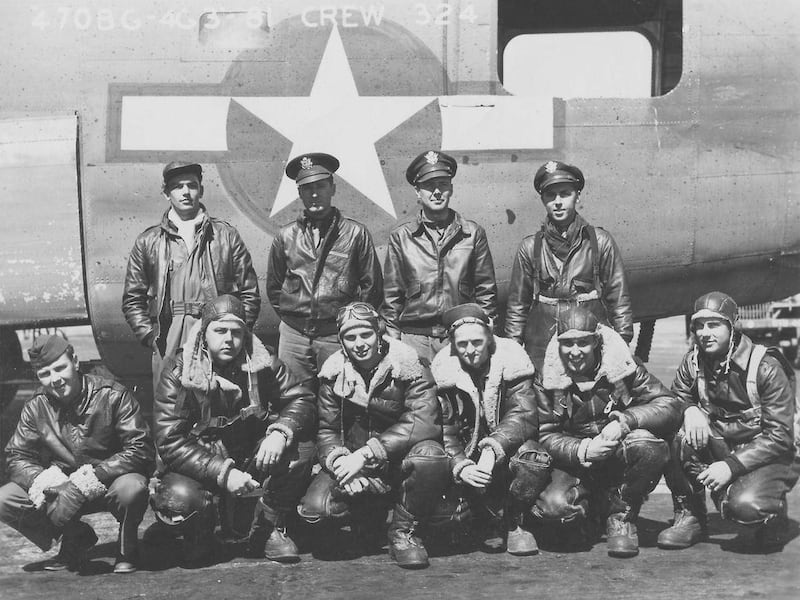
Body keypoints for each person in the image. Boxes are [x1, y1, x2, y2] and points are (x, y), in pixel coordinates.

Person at [152, 294, 316, 566]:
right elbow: (169, 439)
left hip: (250, 451)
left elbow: (301, 398)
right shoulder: (179, 368)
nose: (228, 339)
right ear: (204, 334)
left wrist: (279, 432)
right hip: (200, 458)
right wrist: (222, 472)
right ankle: (201, 535)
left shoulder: (263, 361)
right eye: (220, 330)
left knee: (301, 449)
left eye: (236, 332)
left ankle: (266, 528)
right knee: (178, 498)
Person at [297, 302, 450, 569]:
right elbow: (327, 431)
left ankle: (404, 533)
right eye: (350, 337)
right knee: (316, 510)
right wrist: (339, 462)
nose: (359, 343)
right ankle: (368, 514)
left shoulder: (410, 365)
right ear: (342, 341)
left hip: (396, 463)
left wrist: (369, 453)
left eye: (365, 334)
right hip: (353, 463)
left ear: (378, 334)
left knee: (430, 456)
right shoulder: (332, 374)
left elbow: (423, 421)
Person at [531, 306, 680, 557]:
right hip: (574, 463)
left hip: (616, 456)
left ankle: (621, 515)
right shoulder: (546, 377)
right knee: (554, 509)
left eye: (583, 343)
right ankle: (593, 510)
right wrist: (584, 449)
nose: (575, 352)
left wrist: (625, 421)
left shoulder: (623, 368)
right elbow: (543, 434)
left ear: (596, 342)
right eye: (568, 344)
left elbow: (669, 404)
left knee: (646, 443)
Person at [0, 334, 153, 573]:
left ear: (75, 361)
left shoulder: (112, 395)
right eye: (45, 373)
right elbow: (16, 456)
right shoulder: (36, 406)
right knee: (5, 499)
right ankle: (74, 536)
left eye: (60, 368)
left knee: (132, 489)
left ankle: (128, 546)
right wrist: (46, 482)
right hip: (61, 492)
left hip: (108, 483)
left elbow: (140, 447)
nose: (55, 379)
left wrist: (89, 480)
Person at [657, 291, 798, 551]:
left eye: (714, 324)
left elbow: (780, 437)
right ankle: (691, 516)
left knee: (745, 507)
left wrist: (731, 467)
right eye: (699, 326)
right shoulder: (693, 362)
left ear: (732, 326)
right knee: (672, 430)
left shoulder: (766, 366)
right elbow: (673, 400)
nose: (705, 333)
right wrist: (689, 410)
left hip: (768, 454)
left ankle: (772, 510)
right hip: (723, 444)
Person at [123, 161, 260, 389]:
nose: (185, 192)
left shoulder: (226, 236)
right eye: (177, 186)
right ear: (167, 193)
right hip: (169, 335)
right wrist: (150, 336)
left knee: (216, 399)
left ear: (201, 190)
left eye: (191, 185)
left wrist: (235, 334)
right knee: (170, 403)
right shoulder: (148, 241)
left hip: (214, 331)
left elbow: (250, 292)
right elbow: (132, 298)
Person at [431, 303, 549, 556]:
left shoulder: (513, 362)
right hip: (467, 457)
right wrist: (460, 465)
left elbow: (524, 414)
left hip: (504, 452)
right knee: (444, 523)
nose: (470, 350)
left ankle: (515, 521)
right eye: (462, 344)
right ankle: (479, 511)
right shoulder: (444, 373)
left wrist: (492, 449)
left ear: (490, 337)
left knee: (532, 458)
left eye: (477, 341)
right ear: (452, 344)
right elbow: (444, 429)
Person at [505, 160, 632, 372]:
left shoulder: (600, 242)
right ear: (543, 200)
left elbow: (619, 299)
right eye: (550, 196)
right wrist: (513, 352)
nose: (558, 202)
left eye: (565, 194)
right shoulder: (529, 247)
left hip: (588, 348)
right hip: (542, 350)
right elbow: (517, 307)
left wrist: (622, 345)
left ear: (577, 196)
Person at [267, 152, 383, 385]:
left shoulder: (355, 233)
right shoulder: (285, 236)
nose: (315, 194)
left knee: (339, 397)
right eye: (307, 188)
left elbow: (372, 286)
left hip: (335, 335)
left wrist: (348, 324)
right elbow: (274, 287)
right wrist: (296, 318)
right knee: (293, 397)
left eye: (321, 186)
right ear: (299, 193)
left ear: (333, 188)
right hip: (294, 336)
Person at [381, 150, 497, 364]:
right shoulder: (402, 237)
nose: (436, 192)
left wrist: (482, 334)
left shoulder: (472, 234)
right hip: (414, 339)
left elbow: (486, 292)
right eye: (428, 186)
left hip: (460, 337)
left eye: (443, 184)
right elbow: (392, 297)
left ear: (451, 188)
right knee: (418, 396)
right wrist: (394, 342)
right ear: (417, 191)